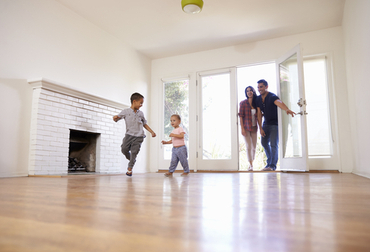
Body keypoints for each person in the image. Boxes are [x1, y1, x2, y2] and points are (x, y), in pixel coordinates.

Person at [255, 79, 295, 171]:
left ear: (266, 86)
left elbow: (279, 102)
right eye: (258, 87)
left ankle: (272, 166)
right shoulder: (257, 99)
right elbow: (259, 114)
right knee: (264, 143)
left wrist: (287, 109)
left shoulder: (272, 96)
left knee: (273, 144)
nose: (259, 89)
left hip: (274, 125)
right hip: (265, 124)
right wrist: (260, 128)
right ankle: (269, 163)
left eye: (261, 87)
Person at [113, 92, 156, 176]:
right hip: (129, 135)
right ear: (134, 101)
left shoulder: (141, 113)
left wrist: (151, 131)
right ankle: (132, 159)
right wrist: (115, 118)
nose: (141, 105)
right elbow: (116, 119)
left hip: (139, 136)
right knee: (124, 149)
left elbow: (144, 124)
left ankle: (129, 169)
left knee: (134, 152)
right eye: (141, 103)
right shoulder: (125, 111)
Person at [239, 86, 258, 171]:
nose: (249, 92)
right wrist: (242, 128)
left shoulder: (257, 103)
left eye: (251, 91)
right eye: (247, 91)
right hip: (246, 127)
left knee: (254, 146)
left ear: (253, 92)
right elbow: (241, 116)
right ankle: (250, 165)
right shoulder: (243, 103)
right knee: (248, 146)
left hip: (254, 127)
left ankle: (252, 162)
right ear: (246, 93)